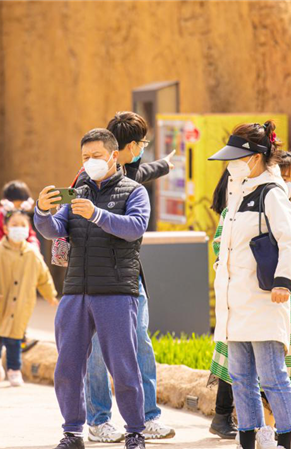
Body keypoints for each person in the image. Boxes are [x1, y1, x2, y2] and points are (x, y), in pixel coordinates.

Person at [35, 128, 150, 449]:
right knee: (68, 367)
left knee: (124, 367)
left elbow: (135, 228)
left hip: (116, 289)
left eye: (96, 156)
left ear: (114, 155)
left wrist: (97, 214)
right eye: (85, 157)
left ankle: (135, 432)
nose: (90, 162)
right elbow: (53, 229)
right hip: (75, 290)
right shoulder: (76, 191)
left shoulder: (134, 191)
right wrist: (42, 211)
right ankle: (72, 432)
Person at [208, 152, 291, 444]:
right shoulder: (236, 198)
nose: (289, 183)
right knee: (240, 377)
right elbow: (221, 245)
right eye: (285, 177)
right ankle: (249, 434)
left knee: (274, 375)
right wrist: (223, 268)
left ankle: (281, 438)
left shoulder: (285, 203)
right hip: (237, 301)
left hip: (275, 299)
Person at [81, 112, 175, 442]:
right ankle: (98, 420)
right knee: (96, 351)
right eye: (142, 145)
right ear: (132, 145)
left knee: (140, 346)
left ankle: (148, 416)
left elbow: (141, 174)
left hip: (130, 278)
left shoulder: (130, 177)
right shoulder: (85, 181)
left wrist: (164, 165)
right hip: (97, 281)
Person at [0, 209, 57, 387]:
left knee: (15, 340)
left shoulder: (33, 254)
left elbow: (43, 276)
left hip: (21, 304)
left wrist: (50, 295)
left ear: (28, 229)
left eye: (23, 225)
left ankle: (14, 370)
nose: (18, 229)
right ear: (5, 229)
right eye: (14, 225)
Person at [0, 180, 39, 248]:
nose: (18, 209)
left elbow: (30, 235)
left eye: (21, 206)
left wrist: (34, 245)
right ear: (8, 203)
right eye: (17, 205)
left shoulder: (22, 217)